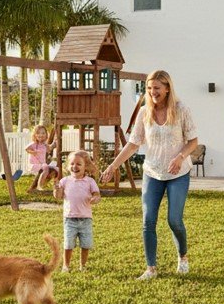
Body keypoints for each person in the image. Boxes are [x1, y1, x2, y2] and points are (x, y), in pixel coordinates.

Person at [99, 70, 199, 280]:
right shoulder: (145, 112)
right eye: (149, 88)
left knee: (174, 220)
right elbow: (133, 144)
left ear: (167, 88)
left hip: (178, 173)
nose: (153, 92)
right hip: (152, 172)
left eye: (157, 88)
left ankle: (183, 257)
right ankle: (151, 268)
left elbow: (193, 142)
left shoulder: (181, 110)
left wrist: (180, 157)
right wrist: (112, 166)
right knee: (148, 221)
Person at [54, 150, 100, 272]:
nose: (75, 166)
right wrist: (56, 190)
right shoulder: (65, 181)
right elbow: (58, 196)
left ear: (86, 166)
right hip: (70, 218)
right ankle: (66, 265)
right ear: (68, 166)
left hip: (86, 219)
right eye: (72, 163)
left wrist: (95, 198)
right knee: (68, 245)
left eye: (79, 164)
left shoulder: (90, 181)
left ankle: (82, 266)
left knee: (85, 245)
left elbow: (97, 194)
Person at [25, 124, 58, 191]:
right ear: (35, 135)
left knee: (57, 169)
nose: (41, 135)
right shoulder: (34, 144)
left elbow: (49, 149)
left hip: (42, 164)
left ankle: (56, 185)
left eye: (43, 133)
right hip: (33, 164)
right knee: (45, 167)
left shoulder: (45, 144)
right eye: (38, 133)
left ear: (46, 134)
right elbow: (26, 149)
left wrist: (55, 142)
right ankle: (39, 186)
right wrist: (33, 152)